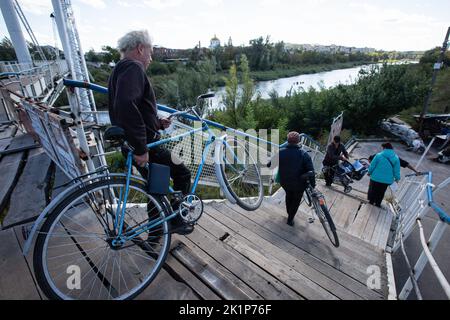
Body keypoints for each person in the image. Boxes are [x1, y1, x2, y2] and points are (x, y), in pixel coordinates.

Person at [108, 30, 193, 235]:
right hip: (145, 146)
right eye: (151, 52)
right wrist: (141, 147)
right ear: (140, 49)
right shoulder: (134, 67)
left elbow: (131, 106)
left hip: (133, 142)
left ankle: (156, 235)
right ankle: (177, 219)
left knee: (157, 188)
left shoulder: (119, 69)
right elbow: (127, 105)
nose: (151, 58)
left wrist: (156, 122)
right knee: (182, 173)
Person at [269, 132, 315, 226]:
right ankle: (290, 219)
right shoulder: (304, 154)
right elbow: (311, 172)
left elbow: (269, 165)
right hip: (299, 184)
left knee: (289, 194)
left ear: (288, 141)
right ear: (298, 141)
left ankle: (289, 212)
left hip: (285, 182)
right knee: (296, 200)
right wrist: (313, 185)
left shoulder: (281, 152)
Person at [367, 143, 401, 207]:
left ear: (385, 148)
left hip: (375, 177)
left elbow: (372, 165)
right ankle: (378, 204)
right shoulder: (396, 158)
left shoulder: (378, 155)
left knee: (373, 190)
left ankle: (371, 202)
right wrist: (397, 178)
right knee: (381, 192)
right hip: (386, 180)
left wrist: (369, 172)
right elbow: (397, 170)